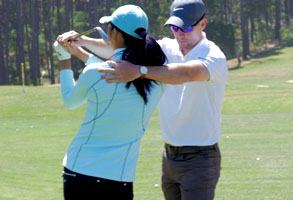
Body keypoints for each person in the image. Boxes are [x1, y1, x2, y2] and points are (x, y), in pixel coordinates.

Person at [65, 0, 228, 199]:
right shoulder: (167, 49)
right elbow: (124, 49)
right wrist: (79, 43)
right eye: (174, 27)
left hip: (200, 157)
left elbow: (185, 74)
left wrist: (138, 71)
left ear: (202, 24)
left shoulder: (213, 56)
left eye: (185, 27)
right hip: (169, 157)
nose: (179, 33)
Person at [53, 5, 166, 200]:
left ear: (113, 33)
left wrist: (64, 58)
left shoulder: (94, 73)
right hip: (119, 178)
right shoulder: (158, 78)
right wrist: (79, 50)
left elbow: (71, 102)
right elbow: (112, 66)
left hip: (79, 170)